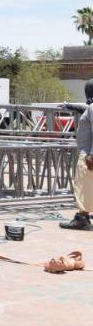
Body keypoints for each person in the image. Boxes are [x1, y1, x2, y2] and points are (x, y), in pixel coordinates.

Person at [59, 80, 93, 230]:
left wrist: (91, 154)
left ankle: (82, 218)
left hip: (88, 154)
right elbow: (84, 108)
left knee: (83, 186)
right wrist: (70, 105)